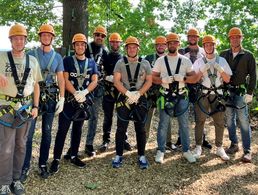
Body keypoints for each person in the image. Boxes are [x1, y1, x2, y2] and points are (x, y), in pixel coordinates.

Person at [0, 23, 42, 195]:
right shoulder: (1, 57)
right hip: (6, 108)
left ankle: (16, 180)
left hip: (25, 109)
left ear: (25, 40)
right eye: (15, 38)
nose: (19, 41)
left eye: (21, 38)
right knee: (5, 147)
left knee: (21, 146)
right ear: (11, 40)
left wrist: (36, 106)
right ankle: (4, 182)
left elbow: (37, 85)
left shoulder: (32, 61)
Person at [20, 24, 65, 181]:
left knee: (47, 133)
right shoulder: (31, 55)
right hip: (34, 98)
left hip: (51, 98)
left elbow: (60, 78)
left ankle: (42, 164)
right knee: (29, 133)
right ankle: (24, 166)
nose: (46, 37)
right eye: (43, 35)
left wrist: (62, 98)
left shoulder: (58, 57)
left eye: (48, 35)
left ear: (52, 37)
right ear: (40, 37)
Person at [49, 33, 98, 174]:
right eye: (77, 44)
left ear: (85, 46)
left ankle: (74, 155)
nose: (80, 46)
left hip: (83, 102)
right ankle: (56, 159)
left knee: (78, 129)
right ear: (74, 46)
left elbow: (94, 80)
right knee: (62, 130)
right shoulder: (68, 60)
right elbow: (65, 79)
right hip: (70, 101)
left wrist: (85, 92)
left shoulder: (91, 62)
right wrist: (76, 93)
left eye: (82, 44)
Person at [152, 33, 197, 164]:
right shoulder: (160, 61)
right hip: (165, 95)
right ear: (167, 44)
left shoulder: (185, 60)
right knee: (163, 124)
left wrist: (183, 78)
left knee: (184, 124)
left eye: (174, 42)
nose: (172, 45)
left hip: (182, 95)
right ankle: (161, 150)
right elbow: (153, 78)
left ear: (178, 44)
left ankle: (186, 150)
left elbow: (194, 78)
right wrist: (162, 80)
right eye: (170, 43)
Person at [112, 36, 152, 169]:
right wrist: (127, 93)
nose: (132, 49)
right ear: (126, 49)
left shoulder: (145, 63)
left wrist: (139, 94)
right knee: (121, 128)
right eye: (129, 47)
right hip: (125, 98)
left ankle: (141, 155)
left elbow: (149, 81)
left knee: (140, 128)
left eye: (134, 47)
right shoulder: (120, 63)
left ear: (138, 49)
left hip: (140, 98)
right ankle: (118, 155)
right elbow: (116, 81)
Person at [192, 35, 232, 161]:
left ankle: (219, 147)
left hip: (218, 93)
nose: (209, 47)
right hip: (203, 93)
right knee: (200, 121)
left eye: (211, 45)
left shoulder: (222, 61)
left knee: (219, 121)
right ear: (204, 47)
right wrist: (201, 71)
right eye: (207, 45)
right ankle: (198, 146)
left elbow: (227, 79)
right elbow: (194, 80)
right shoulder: (199, 62)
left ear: (215, 46)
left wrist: (221, 70)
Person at [220, 27, 257, 162]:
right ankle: (234, 144)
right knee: (229, 119)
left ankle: (247, 150)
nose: (235, 39)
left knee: (243, 121)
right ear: (229, 39)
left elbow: (253, 75)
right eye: (232, 37)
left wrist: (250, 92)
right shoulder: (223, 54)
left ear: (241, 38)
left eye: (237, 37)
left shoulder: (248, 55)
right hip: (227, 91)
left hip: (241, 92)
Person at [178, 28, 212, 150]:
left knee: (201, 115)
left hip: (200, 86)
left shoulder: (204, 51)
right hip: (186, 85)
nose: (192, 38)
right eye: (190, 36)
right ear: (187, 38)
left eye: (194, 36)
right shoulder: (181, 51)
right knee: (183, 112)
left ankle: (202, 139)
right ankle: (180, 138)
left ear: (198, 38)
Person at [99, 32, 131, 152]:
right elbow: (98, 70)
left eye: (117, 42)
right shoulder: (105, 56)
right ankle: (106, 140)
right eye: (113, 42)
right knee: (108, 117)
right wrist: (105, 76)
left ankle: (123, 139)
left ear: (120, 44)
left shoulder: (124, 58)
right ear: (110, 43)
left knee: (122, 116)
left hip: (120, 91)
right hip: (107, 91)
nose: (115, 44)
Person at [144, 36, 175, 150]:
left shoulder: (170, 59)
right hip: (150, 92)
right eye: (158, 44)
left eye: (163, 44)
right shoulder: (148, 58)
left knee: (166, 117)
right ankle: (144, 140)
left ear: (166, 46)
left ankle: (168, 142)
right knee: (147, 117)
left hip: (164, 92)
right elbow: (143, 73)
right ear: (155, 46)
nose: (161, 46)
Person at [84, 25, 109, 156]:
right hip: (84, 85)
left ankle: (89, 144)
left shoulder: (105, 51)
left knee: (94, 116)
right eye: (97, 35)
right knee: (78, 115)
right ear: (94, 35)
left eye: (102, 36)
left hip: (98, 87)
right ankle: (73, 146)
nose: (99, 37)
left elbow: (109, 67)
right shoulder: (86, 47)